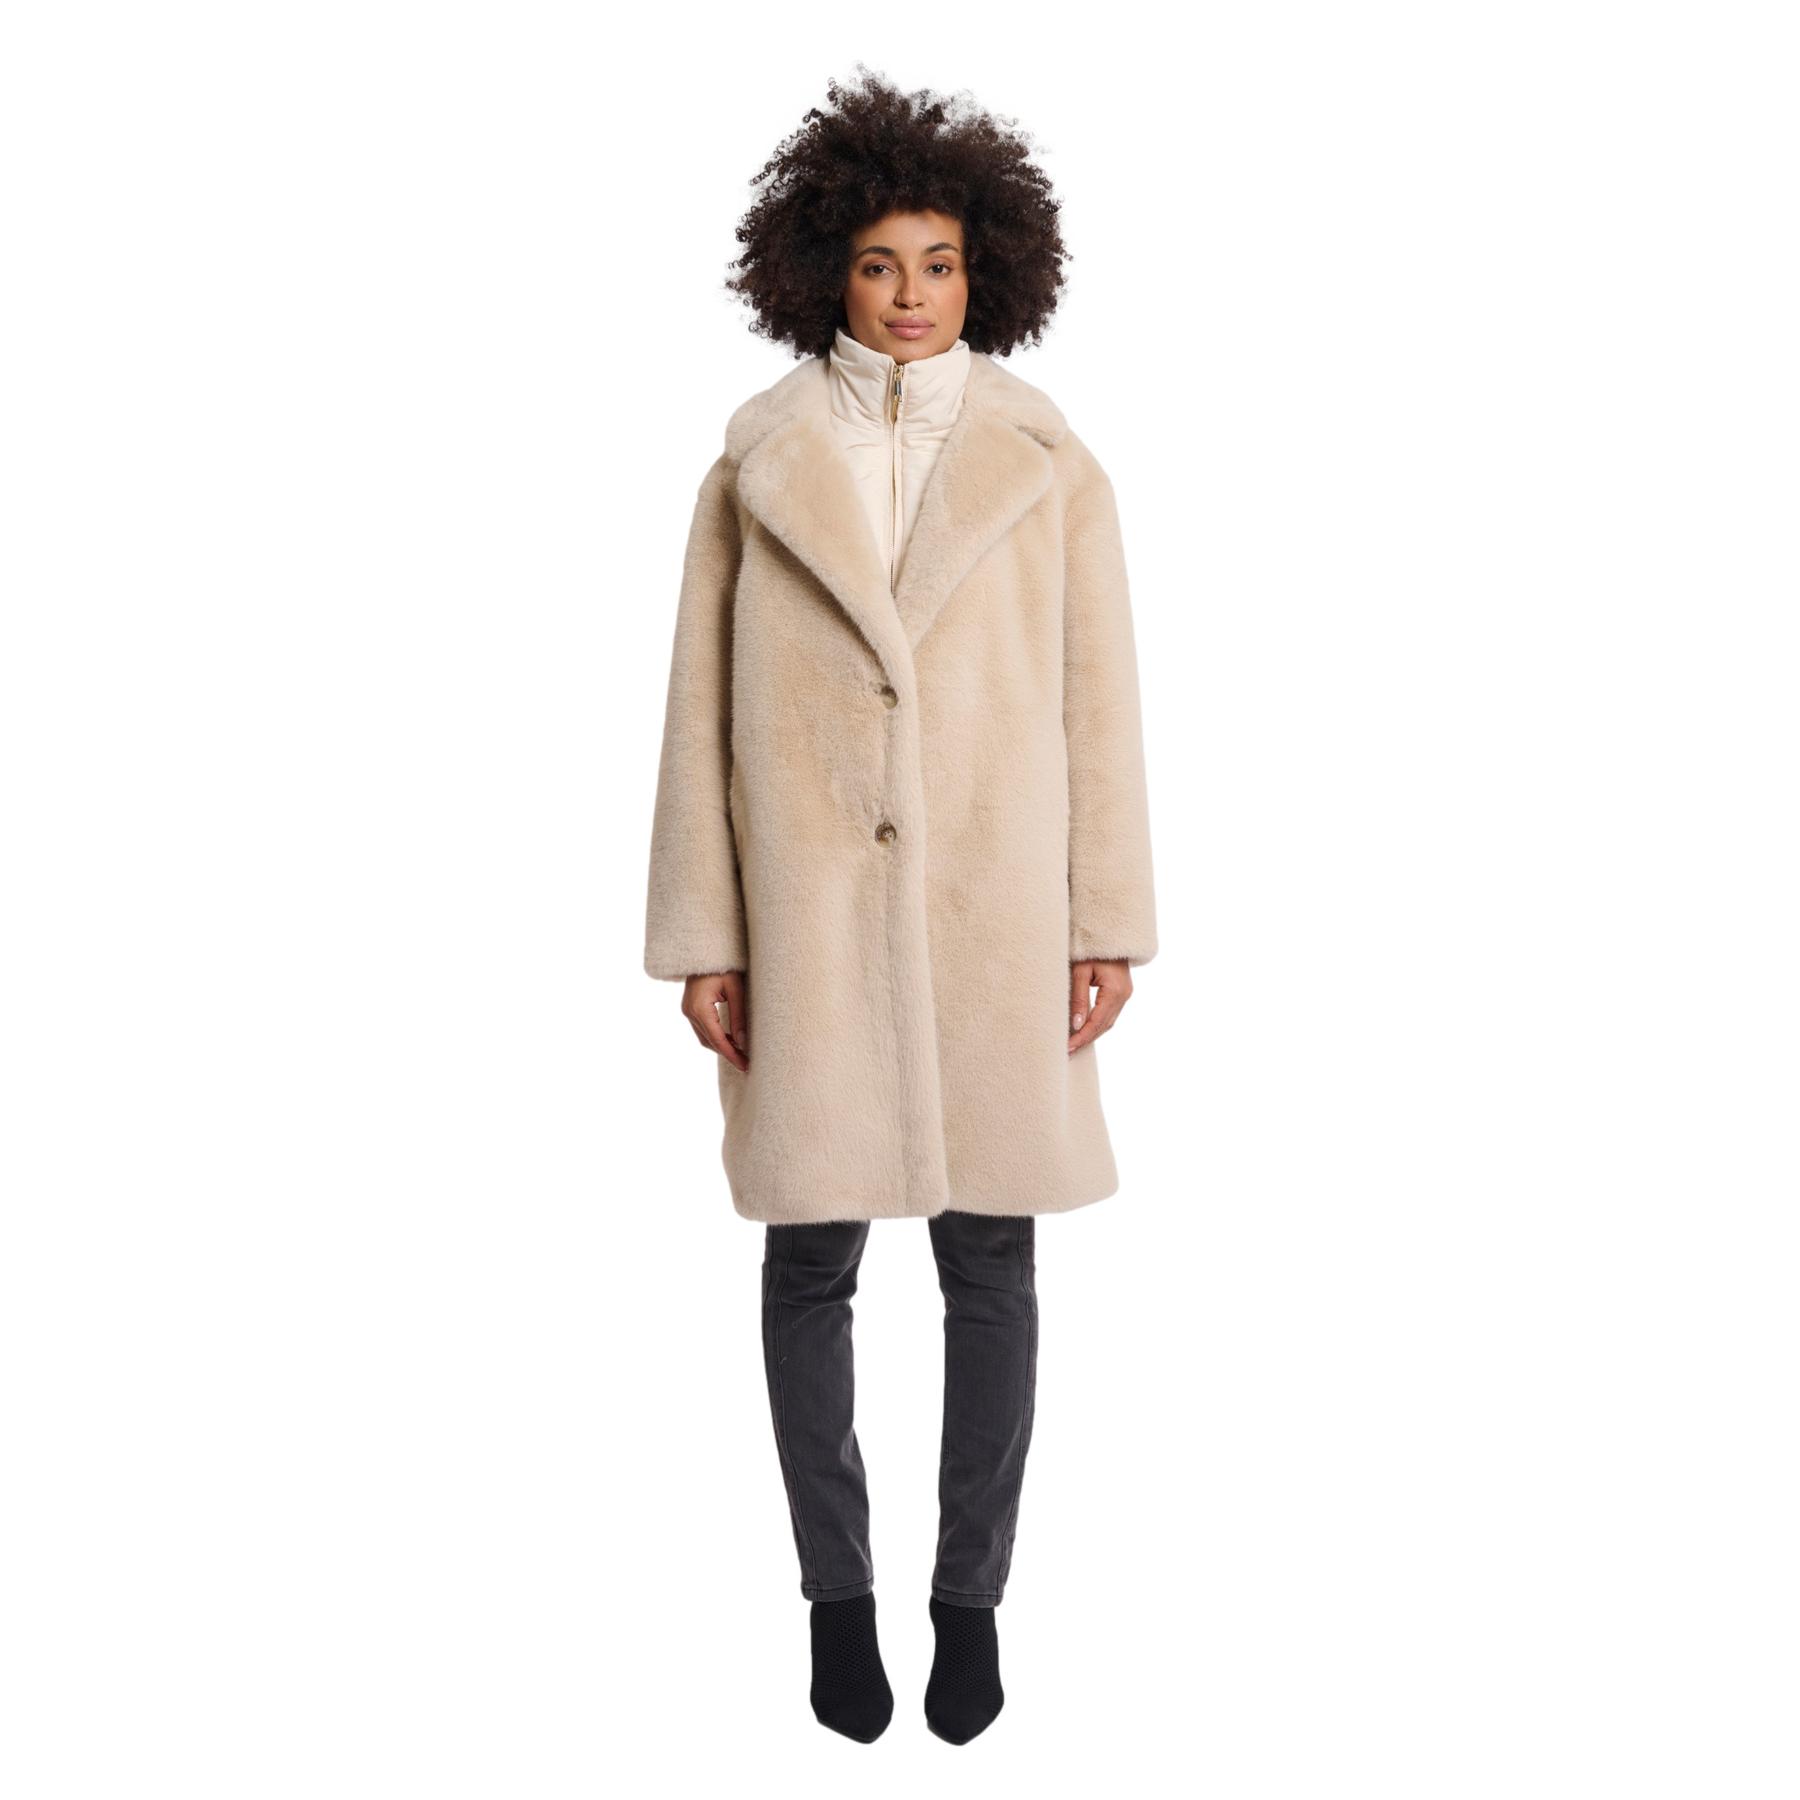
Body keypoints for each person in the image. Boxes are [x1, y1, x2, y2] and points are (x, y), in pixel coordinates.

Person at [642, 68, 1158, 1745]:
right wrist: (705, 936)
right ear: (825, 272)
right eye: (879, 264)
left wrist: (1104, 916)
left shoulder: (1049, 465)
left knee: (992, 1262)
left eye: (938, 263)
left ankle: (970, 1605)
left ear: (985, 269)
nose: (911, 294)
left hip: (995, 905)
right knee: (810, 1261)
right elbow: (698, 716)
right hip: (808, 909)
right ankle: (836, 1602)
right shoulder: (757, 463)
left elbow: (1099, 703)